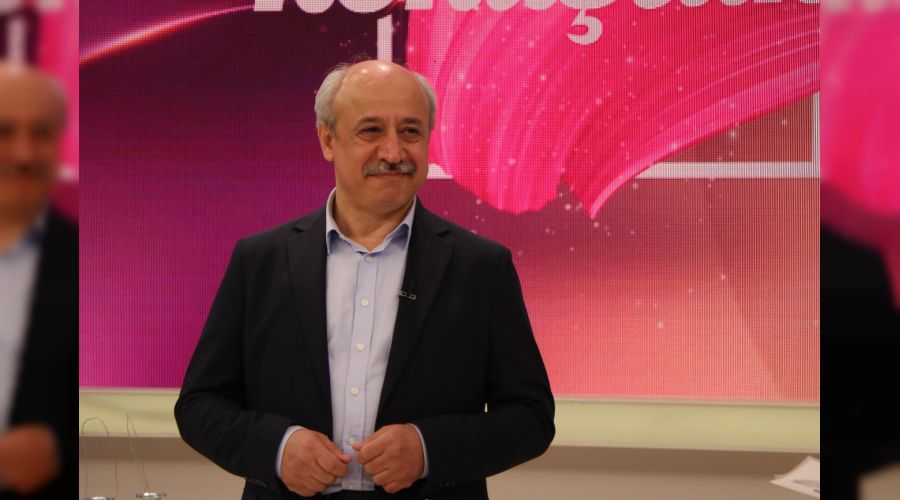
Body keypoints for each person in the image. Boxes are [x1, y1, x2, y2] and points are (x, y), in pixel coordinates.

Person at [175, 60, 555, 499]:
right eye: (371, 131)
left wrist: (428, 450)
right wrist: (277, 449)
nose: (393, 153)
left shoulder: (482, 267)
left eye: (410, 132)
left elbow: (530, 417)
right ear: (327, 139)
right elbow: (199, 405)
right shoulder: (259, 260)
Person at [0, 62, 77, 499]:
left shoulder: (81, 261)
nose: (24, 154)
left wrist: (56, 446)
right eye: (4, 132)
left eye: (41, 134)